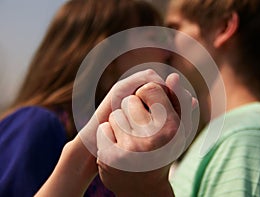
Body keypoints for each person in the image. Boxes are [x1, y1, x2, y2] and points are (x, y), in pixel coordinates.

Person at [35, 0, 260, 196]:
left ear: (223, 28)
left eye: (174, 29)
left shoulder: (251, 140)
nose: (165, 48)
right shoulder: (230, 137)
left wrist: (146, 190)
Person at [0, 0, 167, 196]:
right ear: (109, 53)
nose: (168, 50)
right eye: (153, 36)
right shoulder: (37, 124)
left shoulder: (112, 136)